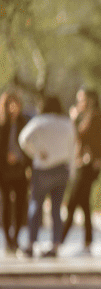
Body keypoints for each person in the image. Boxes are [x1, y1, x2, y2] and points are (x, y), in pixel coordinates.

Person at [17, 95, 74, 258]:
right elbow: (72, 148)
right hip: (62, 169)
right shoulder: (66, 123)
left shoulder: (39, 121)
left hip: (42, 169)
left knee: (36, 204)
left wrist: (35, 152)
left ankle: (30, 243)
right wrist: (71, 170)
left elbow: (23, 139)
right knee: (56, 209)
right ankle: (55, 245)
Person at [62, 87, 101, 254]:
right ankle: (87, 241)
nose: (79, 103)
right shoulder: (89, 116)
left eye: (81, 99)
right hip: (83, 164)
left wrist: (73, 119)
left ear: (90, 100)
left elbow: (81, 136)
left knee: (72, 203)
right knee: (84, 205)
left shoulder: (95, 117)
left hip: (87, 167)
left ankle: (58, 241)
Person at [0, 91, 31, 253]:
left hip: (20, 170)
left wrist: (22, 160)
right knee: (6, 204)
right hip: (4, 171)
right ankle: (8, 239)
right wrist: (6, 156)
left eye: (16, 103)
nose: (13, 107)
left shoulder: (23, 122)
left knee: (20, 204)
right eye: (10, 104)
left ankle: (17, 236)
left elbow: (29, 147)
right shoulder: (2, 124)